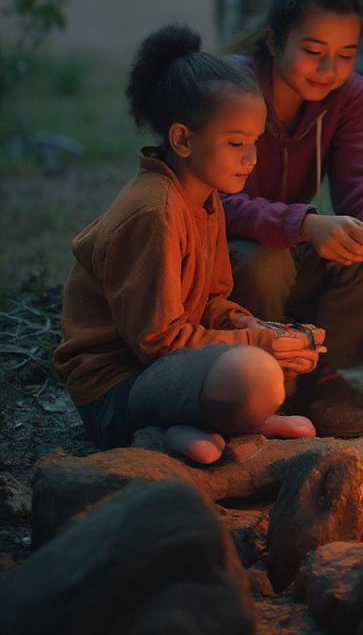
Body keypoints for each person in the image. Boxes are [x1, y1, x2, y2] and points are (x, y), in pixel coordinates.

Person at [55, 25, 322, 464]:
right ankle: (161, 430)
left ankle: (203, 426)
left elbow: (213, 299)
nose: (251, 158)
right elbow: (159, 341)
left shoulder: (205, 199)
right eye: (236, 143)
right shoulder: (153, 212)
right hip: (115, 391)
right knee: (254, 372)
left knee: (269, 368)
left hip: (167, 370)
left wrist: (266, 331)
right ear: (182, 139)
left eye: (255, 143)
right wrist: (256, 346)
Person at [223, 0, 363, 437]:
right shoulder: (230, 89)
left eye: (346, 54)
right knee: (266, 262)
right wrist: (306, 225)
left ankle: (314, 376)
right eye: (313, 50)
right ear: (273, 39)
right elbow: (215, 202)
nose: (330, 68)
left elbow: (362, 172)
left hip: (292, 246)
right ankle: (260, 381)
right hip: (223, 265)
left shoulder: (347, 97)